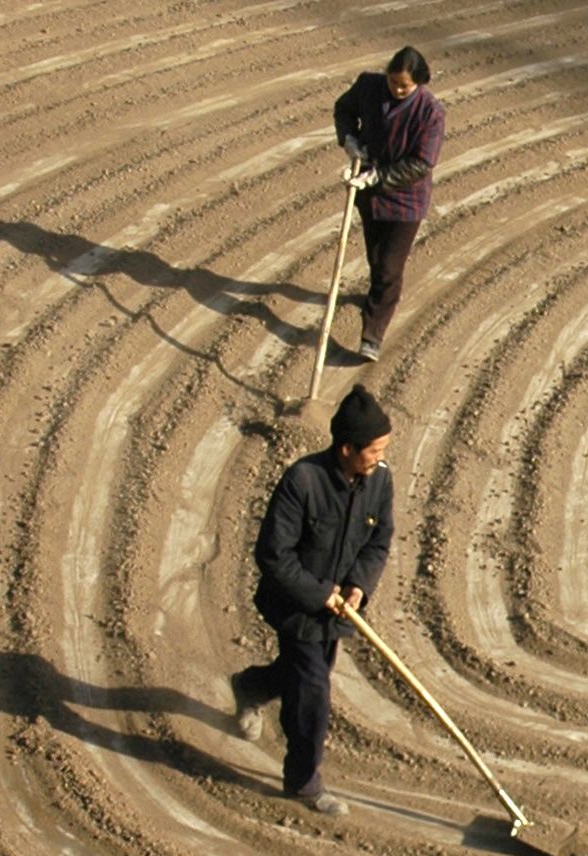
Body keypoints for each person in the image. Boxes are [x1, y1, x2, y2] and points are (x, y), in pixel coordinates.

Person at [231, 385, 396, 814]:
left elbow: (378, 541)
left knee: (300, 676)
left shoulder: (380, 481)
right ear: (346, 448)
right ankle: (303, 782)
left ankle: (251, 686)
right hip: (297, 608)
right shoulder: (302, 482)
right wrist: (321, 594)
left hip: (339, 610)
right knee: (313, 694)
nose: (379, 457)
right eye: (374, 449)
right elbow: (273, 555)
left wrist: (359, 585)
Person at [332, 45, 446, 361]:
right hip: (370, 197)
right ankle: (380, 295)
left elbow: (422, 163)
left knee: (389, 267)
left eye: (404, 86)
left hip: (405, 199)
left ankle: (372, 334)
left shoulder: (430, 113)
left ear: (420, 83)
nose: (396, 89)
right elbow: (343, 109)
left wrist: (377, 177)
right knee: (376, 257)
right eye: (393, 82)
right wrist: (349, 139)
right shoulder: (369, 86)